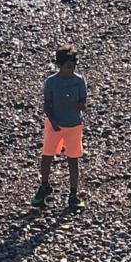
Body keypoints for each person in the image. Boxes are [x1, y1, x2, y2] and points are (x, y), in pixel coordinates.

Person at [32, 44, 87, 212]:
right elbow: (46, 105)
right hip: (54, 125)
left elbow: (83, 106)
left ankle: (73, 194)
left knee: (73, 159)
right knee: (47, 157)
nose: (71, 70)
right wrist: (53, 121)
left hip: (73, 126)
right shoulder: (51, 82)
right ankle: (44, 186)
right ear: (60, 65)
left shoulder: (79, 81)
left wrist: (73, 104)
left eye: (73, 67)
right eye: (68, 66)